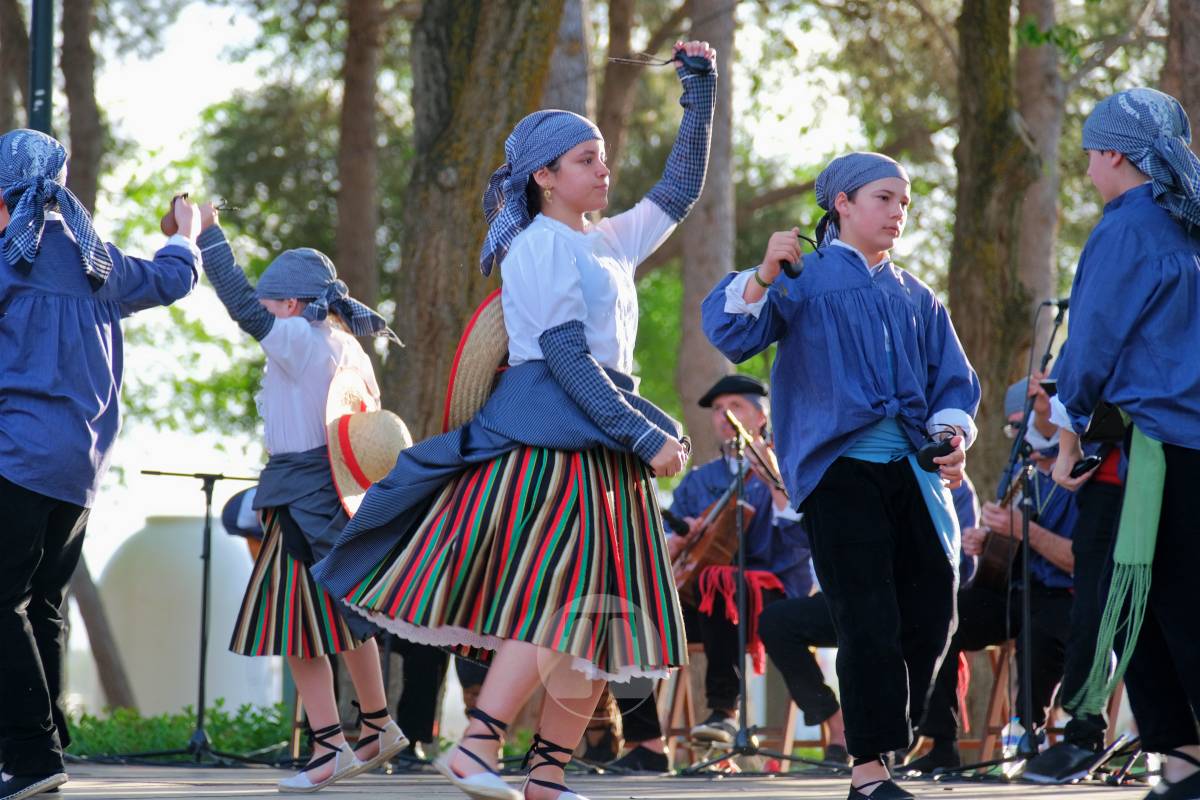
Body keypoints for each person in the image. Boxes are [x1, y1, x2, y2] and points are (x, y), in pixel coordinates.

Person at [312, 40, 718, 800]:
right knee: (564, 606)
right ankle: (474, 748)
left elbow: (682, 188)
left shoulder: (607, 240)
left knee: (599, 618)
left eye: (601, 158)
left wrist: (700, 90)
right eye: (586, 160)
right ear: (544, 176)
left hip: (602, 449)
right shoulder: (537, 248)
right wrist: (642, 432)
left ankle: (546, 776)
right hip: (555, 446)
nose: (604, 170)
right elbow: (565, 361)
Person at [702, 151, 980, 800]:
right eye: (884, 197)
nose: (898, 211)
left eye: (905, 201)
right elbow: (731, 333)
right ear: (843, 205)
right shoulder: (802, 279)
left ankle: (892, 734)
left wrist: (953, 436)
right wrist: (762, 275)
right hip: (837, 470)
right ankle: (869, 770)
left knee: (934, 610)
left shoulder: (917, 296)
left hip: (913, 473)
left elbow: (955, 386)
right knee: (865, 613)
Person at [0, 129, 199, 800]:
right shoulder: (99, 263)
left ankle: (30, 758)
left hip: (18, 454)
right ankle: (46, 747)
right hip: (81, 467)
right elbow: (176, 277)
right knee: (44, 601)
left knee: (3, 601)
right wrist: (188, 230)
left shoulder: (7, 262)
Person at [195, 209, 407, 792]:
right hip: (338, 488)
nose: (262, 312)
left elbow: (238, 302)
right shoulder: (350, 348)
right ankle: (378, 723)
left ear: (290, 304)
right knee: (344, 614)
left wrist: (207, 235)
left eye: (270, 303)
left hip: (300, 489)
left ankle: (329, 746)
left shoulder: (298, 338)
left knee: (293, 625)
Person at [1049, 87, 1200, 800]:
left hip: (1157, 452)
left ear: (1113, 153)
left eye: (1089, 156)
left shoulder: (1126, 230)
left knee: (1157, 607)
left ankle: (1182, 763)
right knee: (1163, 607)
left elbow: (1091, 345)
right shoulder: (1189, 223)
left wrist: (1068, 429)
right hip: (1186, 449)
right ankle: (1181, 770)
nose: (1086, 172)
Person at [609, 373, 813, 773]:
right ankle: (646, 741)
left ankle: (724, 711)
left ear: (761, 416)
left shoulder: (790, 465)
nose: (723, 416)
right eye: (718, 410)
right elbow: (666, 544)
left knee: (719, 581)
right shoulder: (701, 479)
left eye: (734, 406)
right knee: (623, 614)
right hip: (703, 605)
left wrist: (773, 476)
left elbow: (802, 541)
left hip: (771, 602)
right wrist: (679, 542)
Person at [906, 378, 1079, 774]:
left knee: (1041, 631)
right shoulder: (1019, 472)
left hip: (1065, 594)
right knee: (942, 619)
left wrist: (1021, 531)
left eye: (1027, 425)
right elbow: (1013, 542)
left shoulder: (1081, 473)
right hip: (1016, 590)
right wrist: (987, 541)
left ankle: (1026, 740)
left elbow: (1078, 560)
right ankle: (940, 742)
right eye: (1013, 428)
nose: (1020, 437)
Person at [758, 476, 981, 769]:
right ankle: (838, 727)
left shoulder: (953, 485)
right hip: (854, 597)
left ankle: (905, 741)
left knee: (937, 619)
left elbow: (961, 568)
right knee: (777, 622)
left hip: (912, 599)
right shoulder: (851, 475)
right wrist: (782, 490)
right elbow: (804, 540)